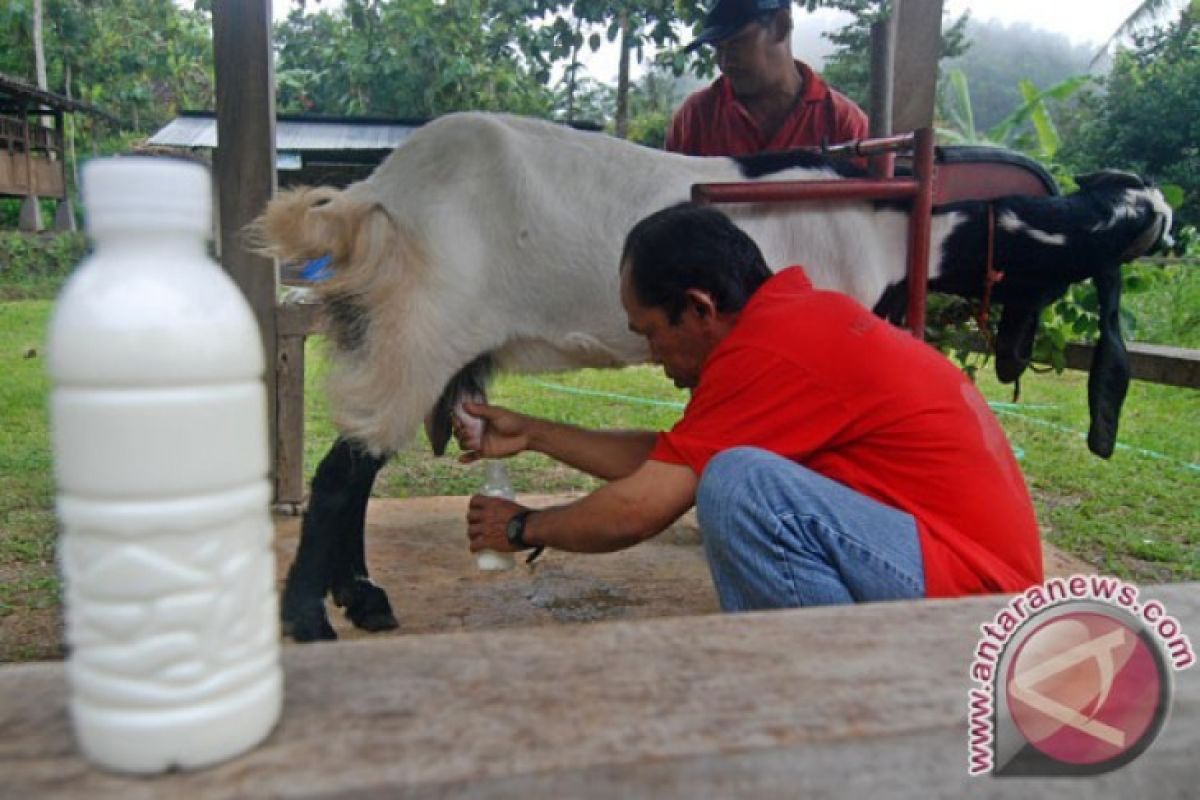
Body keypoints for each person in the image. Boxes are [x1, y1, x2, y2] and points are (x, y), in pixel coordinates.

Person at [458, 203, 1044, 611]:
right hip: (957, 575)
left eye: (653, 332)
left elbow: (639, 508)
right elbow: (670, 463)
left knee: (741, 484)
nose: (652, 354)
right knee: (728, 472)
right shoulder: (784, 327)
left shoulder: (771, 349)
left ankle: (820, 705)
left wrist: (521, 526)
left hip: (974, 601)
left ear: (699, 307)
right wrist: (534, 433)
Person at [666, 0, 870, 157]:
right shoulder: (695, 119)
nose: (725, 61)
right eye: (718, 48)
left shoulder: (843, 123)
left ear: (781, 26)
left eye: (738, 43)